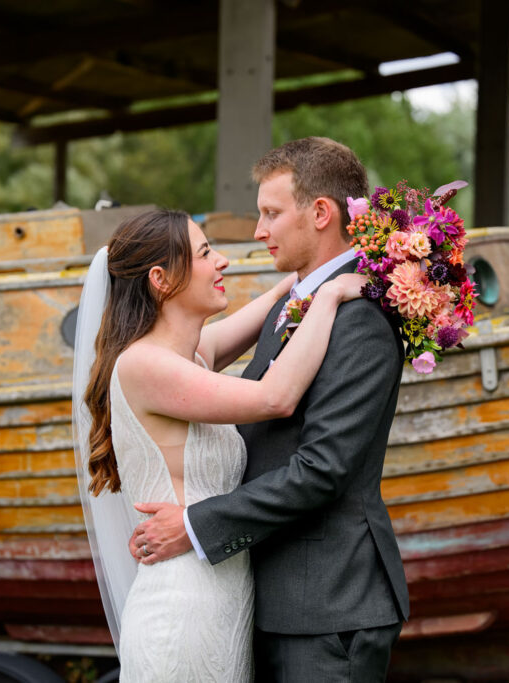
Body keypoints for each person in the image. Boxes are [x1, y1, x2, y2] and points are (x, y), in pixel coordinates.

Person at [129, 137, 410, 682]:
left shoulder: (362, 320)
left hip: (329, 602)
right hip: (274, 595)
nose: (258, 232)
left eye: (271, 214)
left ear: (322, 213)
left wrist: (195, 525)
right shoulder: (296, 301)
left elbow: (322, 469)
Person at [73, 207, 366, 682]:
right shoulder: (145, 366)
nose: (223, 262)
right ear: (161, 279)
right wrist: (331, 295)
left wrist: (333, 266)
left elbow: (283, 298)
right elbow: (276, 397)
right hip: (182, 611)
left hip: (222, 604)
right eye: (207, 252)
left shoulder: (191, 358)